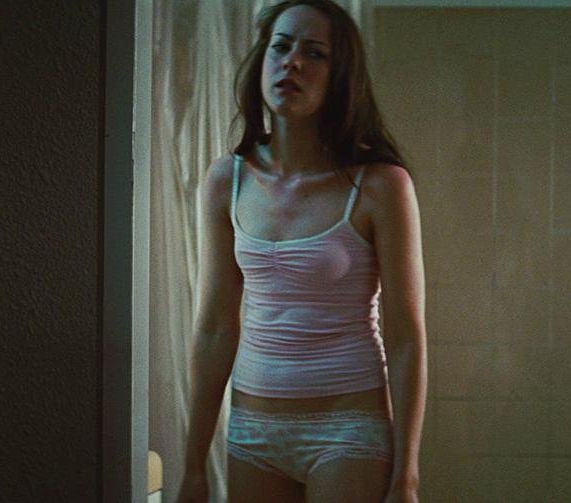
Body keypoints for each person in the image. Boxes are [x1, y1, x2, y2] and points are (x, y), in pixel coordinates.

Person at [176, 1, 427, 502]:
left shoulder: (380, 185)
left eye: (314, 53)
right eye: (281, 46)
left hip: (347, 430)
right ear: (262, 60)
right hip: (252, 430)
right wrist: (193, 466)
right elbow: (215, 328)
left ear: (341, 78)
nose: (292, 62)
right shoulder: (227, 180)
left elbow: (405, 336)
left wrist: (406, 477)